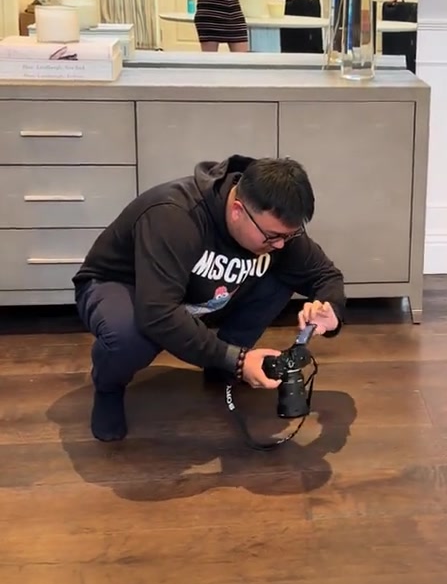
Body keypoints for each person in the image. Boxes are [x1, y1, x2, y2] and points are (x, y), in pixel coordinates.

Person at [73, 156, 345, 442]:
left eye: (288, 236)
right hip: (126, 285)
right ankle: (109, 387)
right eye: (272, 236)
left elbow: (325, 275)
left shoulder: (273, 225)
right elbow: (157, 312)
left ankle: (219, 366)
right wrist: (238, 360)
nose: (279, 244)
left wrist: (331, 311)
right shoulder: (173, 215)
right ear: (238, 210)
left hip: (197, 293)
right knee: (128, 337)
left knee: (282, 275)